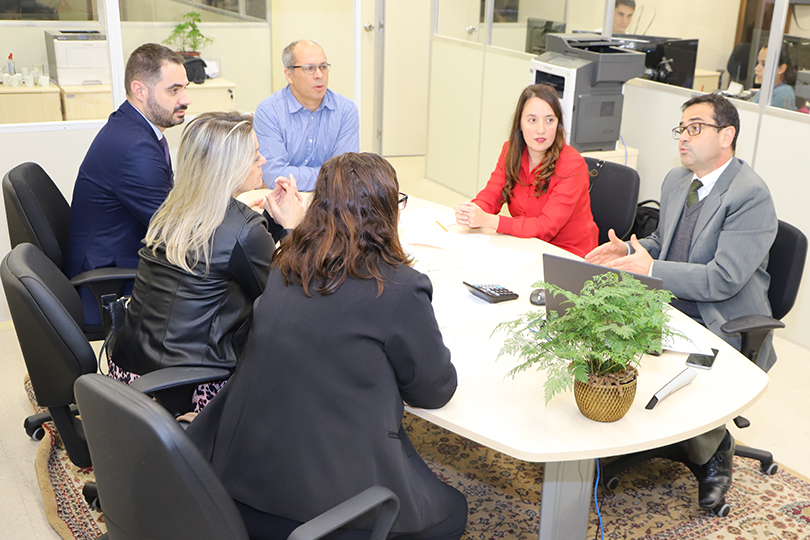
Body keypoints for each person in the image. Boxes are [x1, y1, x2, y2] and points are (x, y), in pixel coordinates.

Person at [187, 152, 467, 540]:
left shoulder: (286, 263)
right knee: (453, 511)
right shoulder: (399, 287)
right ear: (387, 212)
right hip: (320, 510)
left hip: (235, 484)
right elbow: (434, 390)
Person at [585, 93, 778, 510]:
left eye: (695, 128)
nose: (683, 138)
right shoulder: (678, 180)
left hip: (720, 317)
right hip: (670, 301)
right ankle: (617, 427)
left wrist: (651, 268)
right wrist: (629, 251)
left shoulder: (750, 195)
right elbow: (664, 242)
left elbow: (723, 279)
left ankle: (714, 450)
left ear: (726, 135)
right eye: (681, 129)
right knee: (595, 322)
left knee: (679, 363)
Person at [109, 111, 305, 412]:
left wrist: (269, 223)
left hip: (129, 375)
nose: (263, 160)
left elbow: (228, 254)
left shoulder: (172, 211)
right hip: (192, 389)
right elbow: (286, 301)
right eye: (254, 155)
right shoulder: (244, 230)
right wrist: (291, 230)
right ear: (230, 167)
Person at [67, 43, 191, 325]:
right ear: (140, 90)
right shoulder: (135, 147)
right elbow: (174, 231)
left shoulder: (131, 127)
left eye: (184, 88)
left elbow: (166, 203)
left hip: (119, 254)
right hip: (110, 283)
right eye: (174, 90)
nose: (186, 99)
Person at [455, 84, 598, 257]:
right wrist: (472, 211)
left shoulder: (572, 164)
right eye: (532, 120)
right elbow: (491, 195)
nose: (541, 130)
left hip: (568, 254)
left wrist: (489, 220)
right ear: (520, 124)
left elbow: (546, 227)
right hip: (524, 243)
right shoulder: (510, 152)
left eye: (549, 120)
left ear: (558, 124)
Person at [254, 40, 359, 192]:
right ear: (289, 75)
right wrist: (329, 177)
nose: (319, 75)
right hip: (282, 199)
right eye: (309, 68)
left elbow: (345, 174)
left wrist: (292, 176)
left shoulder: (346, 111)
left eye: (323, 67)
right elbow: (274, 175)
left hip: (332, 200)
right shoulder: (269, 112)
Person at [752, 43, 798, 111]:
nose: (756, 68)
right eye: (758, 62)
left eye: (764, 64)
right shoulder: (768, 89)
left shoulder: (783, 93)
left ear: (781, 69)